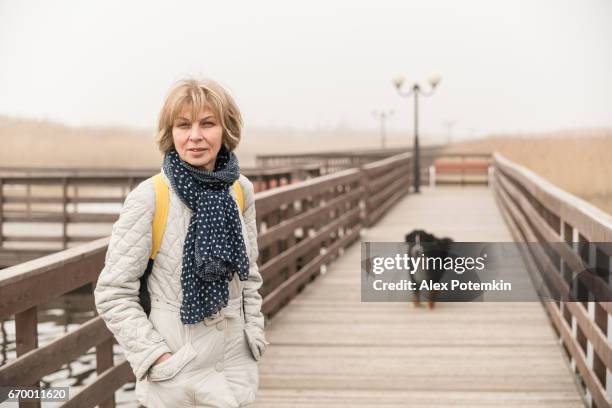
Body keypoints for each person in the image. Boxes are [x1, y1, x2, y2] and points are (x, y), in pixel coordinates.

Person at [94, 78, 268, 407]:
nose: (195, 136)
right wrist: (158, 359)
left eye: (208, 123)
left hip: (234, 370)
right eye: (183, 125)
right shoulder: (150, 197)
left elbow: (250, 274)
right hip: (177, 378)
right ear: (170, 132)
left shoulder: (239, 190)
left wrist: (253, 335)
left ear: (226, 129)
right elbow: (113, 293)